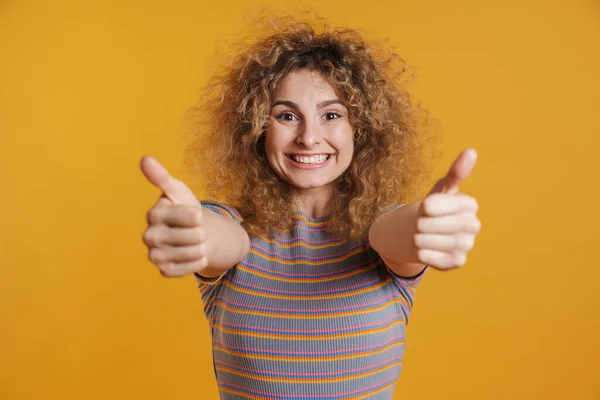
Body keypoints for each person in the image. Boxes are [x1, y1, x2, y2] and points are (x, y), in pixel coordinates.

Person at [140, 17, 481, 400]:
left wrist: (427, 224)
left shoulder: (382, 232)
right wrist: (193, 232)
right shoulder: (235, 228)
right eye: (287, 116)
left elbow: (400, 233)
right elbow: (218, 239)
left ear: (361, 128)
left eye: (331, 115)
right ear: (257, 128)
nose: (308, 137)